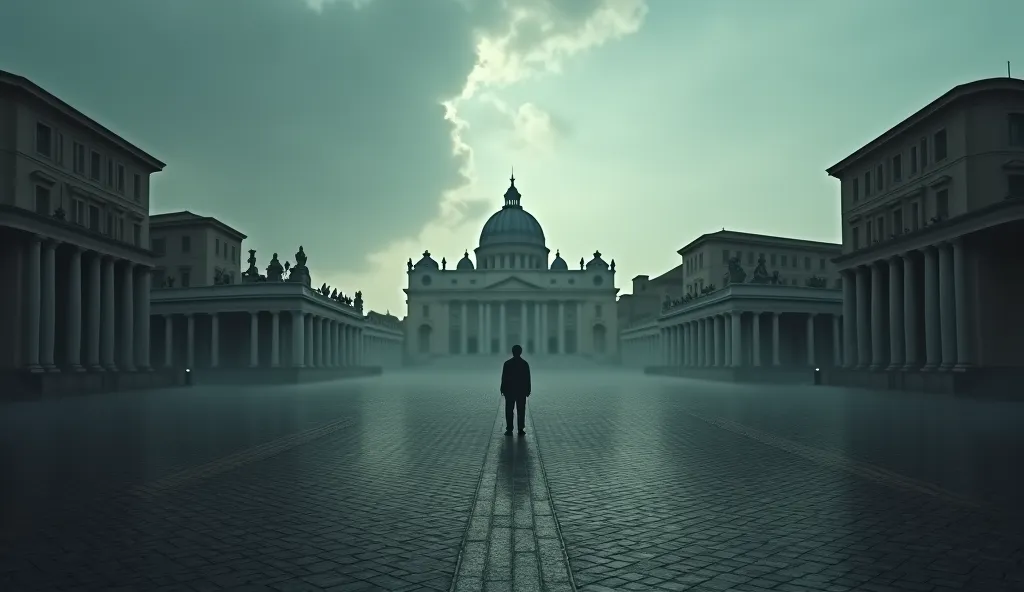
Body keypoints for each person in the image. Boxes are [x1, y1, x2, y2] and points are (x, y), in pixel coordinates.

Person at [500, 344, 531, 436]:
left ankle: (509, 429)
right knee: (521, 410)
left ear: (512, 352)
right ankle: (521, 429)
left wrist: (502, 388)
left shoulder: (507, 363)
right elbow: (527, 378)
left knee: (509, 410)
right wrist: (528, 389)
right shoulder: (524, 364)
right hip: (521, 391)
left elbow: (504, 378)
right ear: (520, 352)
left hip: (510, 390)